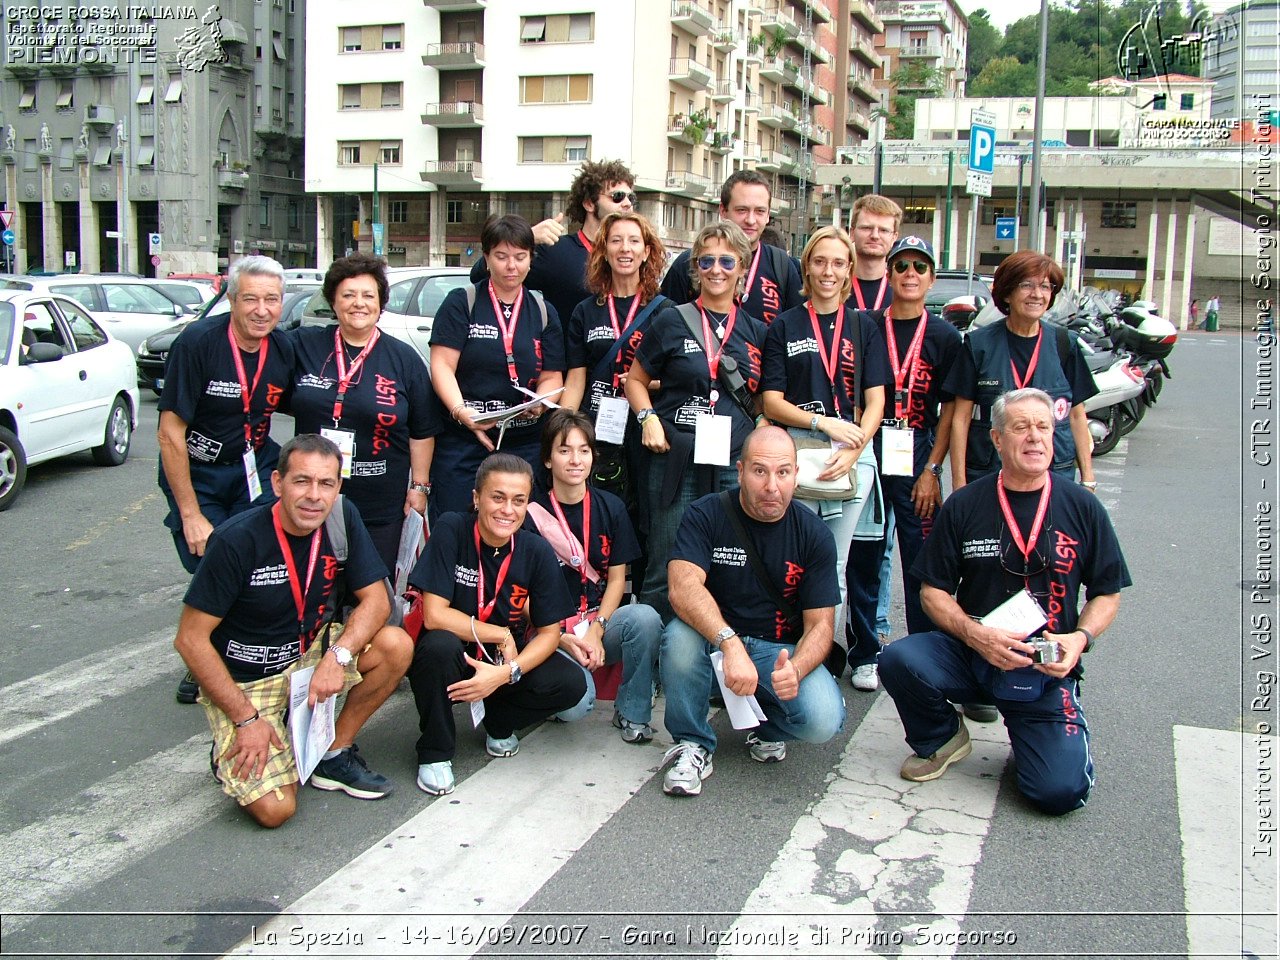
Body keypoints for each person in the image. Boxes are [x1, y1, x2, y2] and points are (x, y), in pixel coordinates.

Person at [879, 389, 1131, 815]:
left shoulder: (1082, 507)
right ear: (996, 439)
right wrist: (975, 636)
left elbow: (1107, 592)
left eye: (1044, 427)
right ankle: (941, 737)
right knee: (899, 659)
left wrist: (1079, 639)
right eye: (1021, 427)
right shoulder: (965, 504)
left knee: (1059, 793)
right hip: (975, 651)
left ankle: (1038, 738)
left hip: (1043, 664)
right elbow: (931, 591)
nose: (1035, 437)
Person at [173, 435, 414, 827]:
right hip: (250, 680)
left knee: (396, 645)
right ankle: (229, 748)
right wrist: (246, 719)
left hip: (309, 656)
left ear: (338, 486)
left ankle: (333, 754)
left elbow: (377, 603)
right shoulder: (236, 540)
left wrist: (338, 657)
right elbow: (189, 639)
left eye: (326, 483)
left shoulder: (340, 516)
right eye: (302, 481)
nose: (314, 496)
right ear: (277, 483)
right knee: (276, 809)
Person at [660, 427, 845, 797]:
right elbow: (682, 587)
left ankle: (764, 725)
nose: (772, 486)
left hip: (774, 653)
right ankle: (693, 743)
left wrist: (797, 669)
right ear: (740, 470)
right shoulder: (706, 514)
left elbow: (821, 625)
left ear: (796, 474)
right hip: (713, 644)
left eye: (783, 472)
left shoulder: (814, 534)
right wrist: (730, 645)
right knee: (678, 636)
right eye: (760, 471)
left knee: (824, 720)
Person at [406, 453, 590, 796]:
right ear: (477, 498)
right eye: (498, 497)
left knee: (570, 683)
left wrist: (508, 673)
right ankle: (435, 750)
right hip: (455, 656)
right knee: (438, 646)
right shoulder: (452, 528)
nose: (508, 509)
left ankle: (499, 721)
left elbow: (550, 633)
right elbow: (434, 614)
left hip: (502, 663)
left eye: (518, 501)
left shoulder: (535, 549)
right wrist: (499, 633)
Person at [158, 255, 295, 704]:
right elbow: (169, 433)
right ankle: (202, 659)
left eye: (271, 300)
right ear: (231, 300)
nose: (262, 310)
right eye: (250, 299)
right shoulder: (199, 343)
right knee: (211, 560)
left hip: (253, 469)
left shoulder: (283, 348)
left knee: (254, 561)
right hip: (199, 474)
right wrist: (190, 511)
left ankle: (224, 656)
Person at [760, 225, 890, 664]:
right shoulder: (784, 324)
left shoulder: (864, 325)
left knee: (834, 564)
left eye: (838, 263)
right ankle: (783, 649)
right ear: (807, 267)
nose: (828, 271)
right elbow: (771, 401)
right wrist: (823, 423)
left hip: (853, 456)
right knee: (792, 559)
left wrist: (855, 446)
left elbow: (876, 399)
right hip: (799, 453)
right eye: (820, 261)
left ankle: (819, 656)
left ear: (849, 270)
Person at [625, 221, 767, 621]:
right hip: (675, 458)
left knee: (728, 561)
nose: (716, 269)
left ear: (742, 267)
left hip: (731, 461)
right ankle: (655, 664)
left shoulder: (757, 330)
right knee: (665, 561)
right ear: (695, 267)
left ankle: (716, 660)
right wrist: (648, 417)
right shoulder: (672, 320)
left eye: (727, 260)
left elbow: (762, 401)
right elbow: (635, 381)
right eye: (706, 260)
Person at [843, 236, 964, 693]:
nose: (910, 274)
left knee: (920, 561)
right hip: (871, 446)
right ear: (888, 275)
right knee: (865, 554)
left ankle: (924, 654)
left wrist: (934, 469)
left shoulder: (945, 336)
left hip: (917, 453)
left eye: (920, 267)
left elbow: (951, 408)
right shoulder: (867, 325)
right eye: (901, 266)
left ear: (932, 278)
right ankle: (866, 652)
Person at [288, 252, 438, 575]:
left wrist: (420, 489)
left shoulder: (404, 359)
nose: (359, 303)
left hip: (381, 504)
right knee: (311, 584)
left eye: (368, 295)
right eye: (348, 295)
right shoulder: (303, 346)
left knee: (373, 590)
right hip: (311, 495)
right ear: (333, 301)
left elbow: (422, 431)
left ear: (381, 302)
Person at [525, 410, 663, 743]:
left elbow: (617, 581)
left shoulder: (611, 507)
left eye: (583, 450)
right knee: (576, 706)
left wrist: (598, 630)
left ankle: (632, 714)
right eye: (564, 450)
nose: (575, 460)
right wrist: (558, 635)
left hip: (597, 621)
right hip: (550, 629)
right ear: (547, 460)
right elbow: (522, 595)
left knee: (644, 617)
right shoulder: (529, 513)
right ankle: (555, 695)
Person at [430, 215, 566, 516]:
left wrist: (542, 403)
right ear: (487, 258)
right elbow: (441, 365)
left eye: (520, 257)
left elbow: (553, 375)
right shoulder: (462, 302)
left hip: (523, 441)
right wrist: (461, 412)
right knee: (457, 525)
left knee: (519, 527)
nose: (511, 266)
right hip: (464, 441)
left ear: (531, 260)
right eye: (501, 257)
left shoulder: (543, 311)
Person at [946, 250, 1097, 491]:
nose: (1037, 294)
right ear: (1007, 293)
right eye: (1027, 285)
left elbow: (1077, 415)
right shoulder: (978, 345)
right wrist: (960, 484)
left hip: (1054, 475)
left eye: (1046, 287)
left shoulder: (1064, 344)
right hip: (989, 474)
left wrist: (1088, 479)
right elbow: (961, 419)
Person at [562, 211, 668, 503]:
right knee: (599, 508)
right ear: (604, 251)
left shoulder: (666, 311)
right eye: (616, 241)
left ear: (646, 252)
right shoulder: (585, 311)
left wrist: (644, 383)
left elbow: (676, 377)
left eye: (634, 241)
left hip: (645, 427)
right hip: (597, 426)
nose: (625, 248)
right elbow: (576, 376)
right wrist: (563, 426)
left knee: (643, 513)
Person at [469, 159, 637, 325]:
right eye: (618, 197)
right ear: (589, 203)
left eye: (631, 198)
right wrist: (525, 238)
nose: (627, 203)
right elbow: (479, 275)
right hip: (566, 350)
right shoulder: (556, 252)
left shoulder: (633, 255)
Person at [660, 170, 802, 326]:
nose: (751, 220)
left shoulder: (783, 267)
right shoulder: (690, 263)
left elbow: (794, 330)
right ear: (723, 211)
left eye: (760, 211)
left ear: (768, 215)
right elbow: (666, 328)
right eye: (742, 210)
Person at [848, 194, 901, 313]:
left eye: (883, 230)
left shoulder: (902, 289)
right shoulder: (833, 284)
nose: (875, 236)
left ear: (894, 237)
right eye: (866, 228)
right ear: (852, 233)